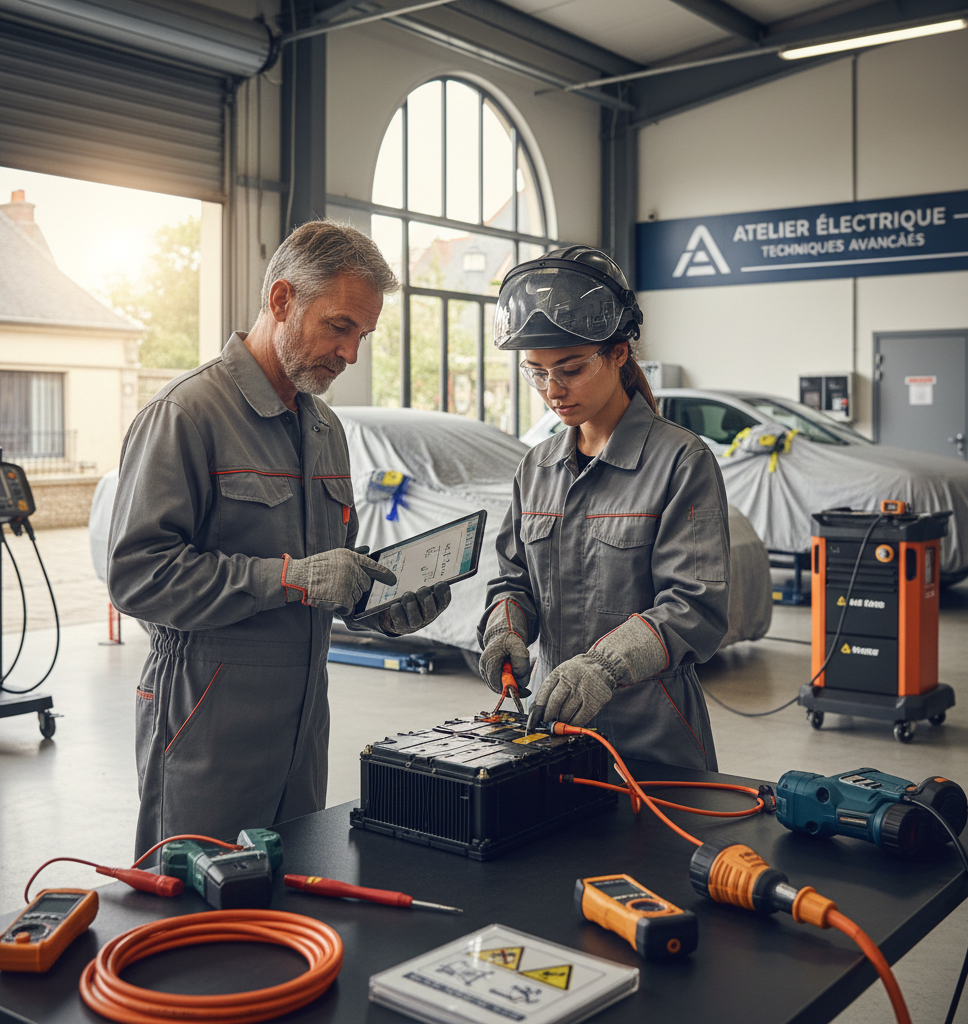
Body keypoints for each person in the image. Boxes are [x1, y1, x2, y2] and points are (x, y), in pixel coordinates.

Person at [108, 221, 451, 857]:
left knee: (289, 892)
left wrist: (376, 604)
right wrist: (289, 578)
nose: (351, 354)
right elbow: (138, 578)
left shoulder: (325, 429)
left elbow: (328, 574)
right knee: (196, 896)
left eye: (363, 335)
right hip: (205, 717)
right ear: (282, 300)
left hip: (303, 726)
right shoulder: (186, 415)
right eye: (340, 326)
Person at [477, 246, 729, 770]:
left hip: (654, 738)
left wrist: (605, 666)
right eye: (536, 373)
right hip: (554, 733)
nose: (553, 390)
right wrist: (506, 629)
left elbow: (695, 607)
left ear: (618, 353)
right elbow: (513, 580)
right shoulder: (537, 467)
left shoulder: (681, 461)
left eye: (570, 369)